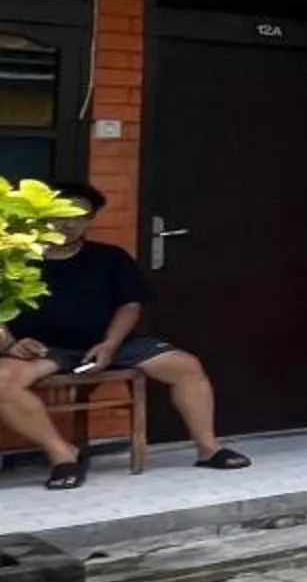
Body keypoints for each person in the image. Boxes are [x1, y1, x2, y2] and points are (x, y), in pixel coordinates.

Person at [1, 183, 248, 489]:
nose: (68, 223)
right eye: (59, 214)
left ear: (91, 219)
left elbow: (130, 305)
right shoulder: (14, 261)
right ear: (39, 216)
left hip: (113, 343)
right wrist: (11, 343)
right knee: (2, 382)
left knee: (186, 366)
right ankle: (63, 455)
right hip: (44, 349)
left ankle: (209, 449)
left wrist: (110, 344)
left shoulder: (110, 258)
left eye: (79, 215)